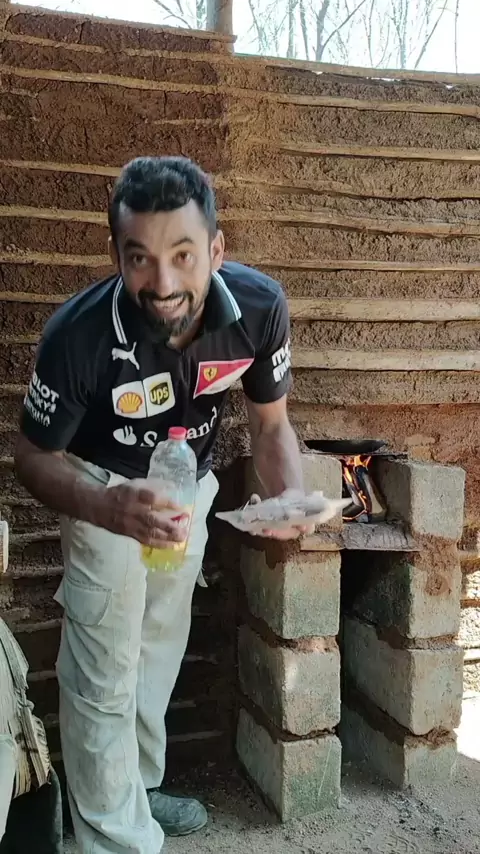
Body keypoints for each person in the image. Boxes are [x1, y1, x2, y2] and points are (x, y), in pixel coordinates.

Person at [14, 155, 313, 854]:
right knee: (104, 664)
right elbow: (32, 458)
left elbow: (271, 427)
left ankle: (138, 790)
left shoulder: (259, 310)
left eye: (183, 255)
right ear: (115, 254)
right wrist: (107, 509)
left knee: (157, 643)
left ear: (216, 249)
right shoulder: (78, 335)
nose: (165, 283)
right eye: (140, 258)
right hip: (102, 488)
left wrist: (290, 497)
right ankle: (113, 836)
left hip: (187, 489)